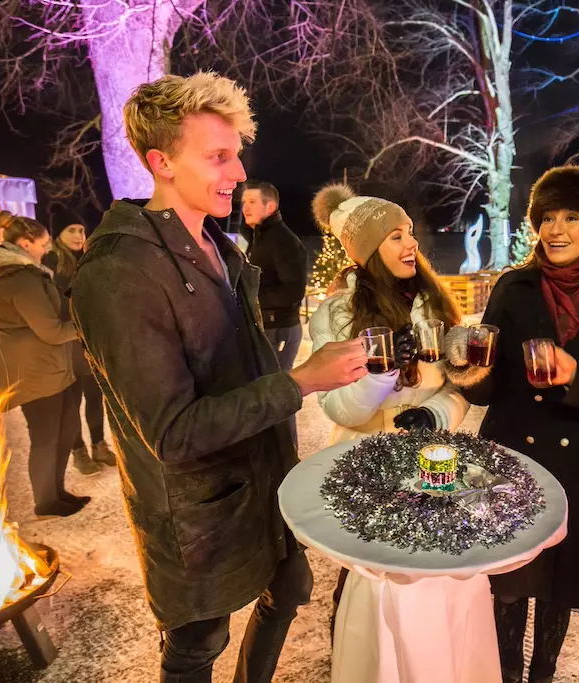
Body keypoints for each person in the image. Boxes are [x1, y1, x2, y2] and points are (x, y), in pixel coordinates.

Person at [69, 72, 367, 683]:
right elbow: (173, 433)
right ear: (161, 162)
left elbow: (242, 360)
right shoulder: (117, 274)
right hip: (195, 515)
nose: (237, 174)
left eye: (237, 155)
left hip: (265, 479)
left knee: (286, 595)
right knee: (197, 644)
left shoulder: (218, 243)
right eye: (218, 157)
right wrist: (302, 380)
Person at [443, 165, 579, 683]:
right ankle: (505, 675)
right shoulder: (514, 285)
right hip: (510, 459)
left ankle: (543, 675)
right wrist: (469, 371)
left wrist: (577, 381)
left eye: (571, 217)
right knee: (507, 585)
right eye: (547, 217)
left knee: (558, 589)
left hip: (578, 469)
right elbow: (488, 386)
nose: (555, 230)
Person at [310, 184, 487, 682]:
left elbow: (460, 388)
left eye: (409, 233)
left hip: (430, 463)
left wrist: (435, 416)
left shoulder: (436, 307)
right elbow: (339, 408)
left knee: (423, 577)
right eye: (393, 236)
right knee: (363, 580)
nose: (410, 244)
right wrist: (382, 374)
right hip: (364, 468)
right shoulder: (337, 315)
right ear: (366, 252)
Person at [0, 211, 88, 517]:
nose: (47, 249)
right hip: (33, 370)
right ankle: (46, 501)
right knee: (46, 437)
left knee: (65, 429)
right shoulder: (20, 278)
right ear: (25, 243)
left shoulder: (24, 273)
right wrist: (87, 327)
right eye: (43, 243)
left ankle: (57, 492)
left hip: (49, 366)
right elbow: (51, 331)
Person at [41, 206, 115, 476]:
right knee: (71, 404)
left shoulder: (87, 259)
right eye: (71, 230)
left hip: (89, 342)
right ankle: (78, 452)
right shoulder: (49, 263)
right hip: (66, 343)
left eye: (81, 230)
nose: (78, 235)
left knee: (95, 397)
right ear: (58, 234)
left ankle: (99, 446)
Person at [240, 180, 308, 446]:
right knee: (268, 392)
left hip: (279, 328)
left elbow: (293, 291)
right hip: (268, 326)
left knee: (279, 393)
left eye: (252, 202)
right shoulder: (260, 236)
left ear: (271, 206)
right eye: (244, 202)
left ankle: (287, 455)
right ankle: (277, 451)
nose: (245, 208)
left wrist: (252, 297)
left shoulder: (282, 240)